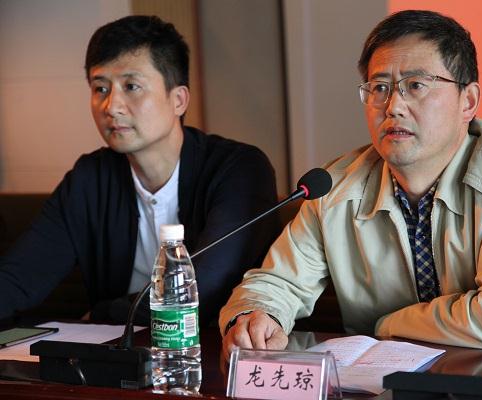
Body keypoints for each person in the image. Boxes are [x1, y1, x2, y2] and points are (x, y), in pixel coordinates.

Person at [220, 9, 482, 356]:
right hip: (379, 381)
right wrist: (255, 317)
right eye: (380, 87)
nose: (394, 106)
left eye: (416, 85)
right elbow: (276, 283)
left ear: (467, 101)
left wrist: (386, 324)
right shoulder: (334, 188)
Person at [0, 15, 280, 326]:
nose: (111, 106)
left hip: (211, 345)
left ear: (178, 100)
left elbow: (207, 284)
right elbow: (20, 276)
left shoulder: (239, 169)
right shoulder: (90, 179)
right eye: (100, 88)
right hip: (116, 350)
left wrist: (106, 314)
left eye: (131, 86)